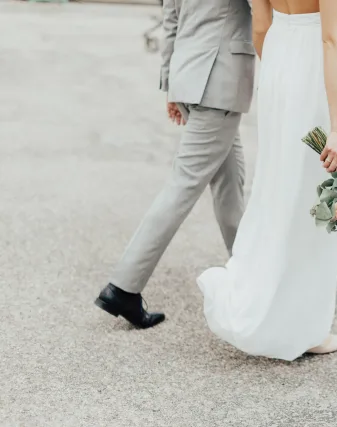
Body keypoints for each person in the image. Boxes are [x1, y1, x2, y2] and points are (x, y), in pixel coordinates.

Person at [196, 0, 337, 360]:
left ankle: (278, 308)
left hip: (279, 68)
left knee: (278, 192)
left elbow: (260, 25)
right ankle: (308, 328)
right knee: (318, 201)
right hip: (317, 76)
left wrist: (280, 75)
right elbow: (331, 39)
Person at [94, 0, 255, 328]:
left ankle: (250, 276)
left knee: (230, 185)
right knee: (182, 186)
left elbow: (171, 17)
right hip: (219, 80)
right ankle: (123, 287)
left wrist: (170, 82)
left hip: (191, 74)